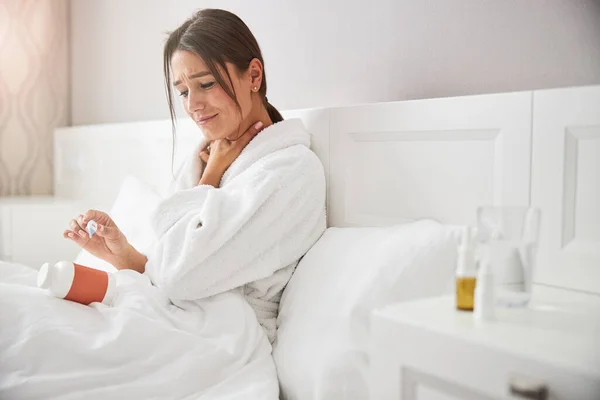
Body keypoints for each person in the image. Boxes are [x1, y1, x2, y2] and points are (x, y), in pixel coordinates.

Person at [0, 9, 326, 399]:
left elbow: (181, 275)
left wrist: (209, 180)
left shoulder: (289, 172)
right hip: (181, 315)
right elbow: (172, 267)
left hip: (218, 338)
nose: (193, 105)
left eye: (206, 84)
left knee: (21, 325)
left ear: (253, 76)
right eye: (184, 91)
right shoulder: (212, 157)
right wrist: (125, 255)